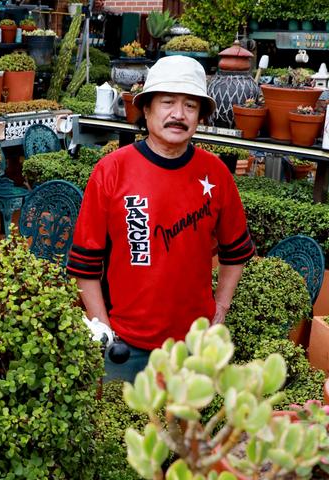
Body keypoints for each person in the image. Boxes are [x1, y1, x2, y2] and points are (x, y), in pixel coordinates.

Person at [67, 55, 255, 381]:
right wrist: (103, 330)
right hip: (124, 348)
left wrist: (219, 313)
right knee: (119, 429)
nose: (178, 115)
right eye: (167, 102)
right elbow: (84, 264)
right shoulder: (112, 171)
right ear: (148, 108)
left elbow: (235, 252)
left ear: (199, 116)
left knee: (183, 431)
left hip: (193, 348)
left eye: (190, 106)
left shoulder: (216, 174)